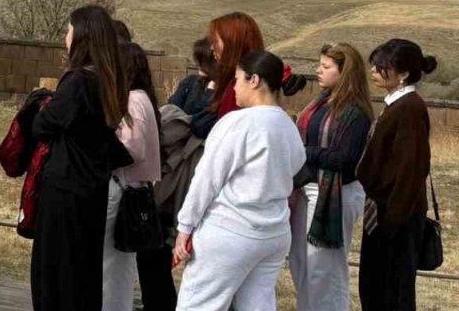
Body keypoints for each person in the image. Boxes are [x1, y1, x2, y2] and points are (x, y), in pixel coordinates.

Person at [173, 51, 306, 311]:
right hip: (273, 232)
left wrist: (185, 226)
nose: (233, 87)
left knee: (198, 304)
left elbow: (207, 179)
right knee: (258, 304)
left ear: (254, 80)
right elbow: (297, 164)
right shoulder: (288, 126)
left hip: (231, 229)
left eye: (237, 79)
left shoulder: (237, 122)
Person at [27, 5, 131, 311]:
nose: (65, 37)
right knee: (83, 273)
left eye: (69, 30)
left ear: (82, 36)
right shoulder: (109, 79)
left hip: (65, 188)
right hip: (92, 188)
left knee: (56, 274)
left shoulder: (78, 81)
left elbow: (42, 126)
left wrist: (41, 106)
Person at [289, 42, 373, 311]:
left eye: (326, 66)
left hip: (334, 193)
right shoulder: (320, 103)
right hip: (307, 188)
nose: (318, 71)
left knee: (325, 271)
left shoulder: (356, 112)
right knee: (301, 263)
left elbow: (344, 158)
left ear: (344, 71)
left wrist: (303, 151)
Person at [356, 39, 437, 311]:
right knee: (375, 287)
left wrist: (393, 220)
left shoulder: (410, 108)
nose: (374, 71)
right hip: (383, 211)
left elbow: (411, 169)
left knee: (392, 292)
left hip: (396, 217)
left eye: (382, 67)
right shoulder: (396, 104)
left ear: (402, 73)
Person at [104, 42, 162, 311]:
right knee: (120, 263)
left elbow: (133, 149)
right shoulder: (143, 98)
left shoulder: (133, 100)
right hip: (132, 187)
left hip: (122, 186)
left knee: (111, 262)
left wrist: (103, 149)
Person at [190, 12, 265, 138]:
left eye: (216, 42)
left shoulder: (241, 87)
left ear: (232, 44)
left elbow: (204, 126)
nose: (212, 48)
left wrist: (210, 90)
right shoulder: (233, 80)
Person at [169, 37, 215, 117]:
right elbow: (172, 108)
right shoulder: (189, 82)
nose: (198, 63)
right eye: (198, 59)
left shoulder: (223, 90)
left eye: (203, 59)